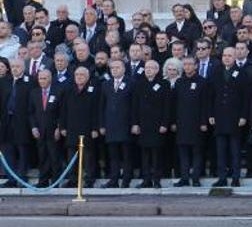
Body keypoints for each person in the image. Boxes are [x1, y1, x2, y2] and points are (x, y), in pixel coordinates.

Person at [208, 47, 249, 187]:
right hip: (219, 116)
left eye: (230, 55)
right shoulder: (216, 72)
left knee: (235, 149)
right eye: (224, 55)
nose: (226, 58)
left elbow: (245, 97)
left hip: (235, 117)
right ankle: (222, 177)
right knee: (220, 150)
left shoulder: (242, 73)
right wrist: (211, 114)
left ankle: (235, 177)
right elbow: (211, 95)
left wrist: (243, 116)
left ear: (235, 56)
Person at [131, 60, 170, 189]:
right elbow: (134, 105)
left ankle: (157, 179)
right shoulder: (139, 84)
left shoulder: (164, 84)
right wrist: (135, 124)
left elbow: (167, 106)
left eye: (151, 68)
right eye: (146, 67)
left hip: (157, 124)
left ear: (157, 70)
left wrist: (164, 123)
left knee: (156, 153)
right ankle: (146, 179)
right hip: (143, 124)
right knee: (145, 153)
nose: (148, 70)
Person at [58, 67, 99, 188]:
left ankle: (89, 179)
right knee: (72, 156)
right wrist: (63, 127)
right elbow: (63, 110)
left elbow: (97, 111)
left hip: (88, 129)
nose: (79, 77)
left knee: (88, 156)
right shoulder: (69, 90)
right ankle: (73, 179)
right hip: (72, 128)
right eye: (77, 75)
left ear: (87, 77)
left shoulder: (93, 90)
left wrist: (95, 128)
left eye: (82, 75)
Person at [171, 57, 208, 187]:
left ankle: (196, 178)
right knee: (183, 152)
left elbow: (205, 104)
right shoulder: (179, 82)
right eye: (185, 64)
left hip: (197, 123)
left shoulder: (202, 82)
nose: (187, 66)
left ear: (196, 66)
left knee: (197, 152)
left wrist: (204, 122)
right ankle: (184, 178)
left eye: (190, 64)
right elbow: (174, 104)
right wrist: (174, 122)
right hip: (182, 123)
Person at [99, 60, 134, 188]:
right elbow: (102, 106)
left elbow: (134, 106)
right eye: (112, 68)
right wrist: (102, 125)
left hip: (125, 124)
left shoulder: (131, 83)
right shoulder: (106, 85)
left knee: (126, 155)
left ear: (124, 69)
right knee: (113, 155)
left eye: (117, 67)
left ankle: (126, 179)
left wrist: (134, 124)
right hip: (111, 125)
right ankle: (113, 179)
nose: (114, 70)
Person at [28, 69, 61, 188]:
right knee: (42, 156)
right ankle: (43, 181)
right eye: (40, 78)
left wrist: (59, 127)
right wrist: (33, 128)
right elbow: (31, 113)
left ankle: (56, 181)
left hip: (53, 130)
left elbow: (62, 111)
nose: (42, 81)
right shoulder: (34, 93)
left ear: (50, 78)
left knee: (54, 157)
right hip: (40, 131)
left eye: (44, 78)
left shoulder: (58, 91)